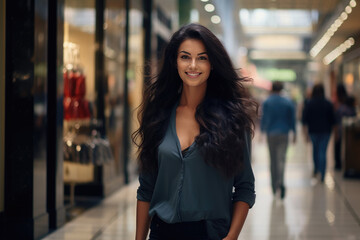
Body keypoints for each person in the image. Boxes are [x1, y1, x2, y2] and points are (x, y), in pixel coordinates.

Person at [132, 23, 257, 240]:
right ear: (174, 61)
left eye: (202, 57)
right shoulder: (158, 115)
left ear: (212, 64)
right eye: (185, 56)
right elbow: (146, 189)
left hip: (210, 233)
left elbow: (245, 186)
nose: (193, 65)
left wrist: (232, 236)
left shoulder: (233, 120)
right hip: (162, 232)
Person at [260, 81, 296, 199]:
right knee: (281, 159)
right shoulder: (287, 101)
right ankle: (280, 182)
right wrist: (294, 132)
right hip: (284, 133)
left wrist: (262, 132)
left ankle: (274, 186)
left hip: (271, 134)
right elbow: (292, 118)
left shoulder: (267, 101)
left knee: (273, 160)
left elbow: (264, 118)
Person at [302, 83, 335, 182]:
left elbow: (304, 120)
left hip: (313, 131)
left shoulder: (309, 103)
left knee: (315, 151)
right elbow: (333, 119)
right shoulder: (328, 103)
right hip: (326, 131)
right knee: (322, 152)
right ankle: (323, 173)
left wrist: (305, 134)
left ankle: (316, 169)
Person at [334, 84, 356, 170]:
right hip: (346, 129)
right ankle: (345, 163)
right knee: (346, 147)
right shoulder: (349, 108)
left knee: (338, 146)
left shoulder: (340, 106)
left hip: (340, 128)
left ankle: (338, 163)